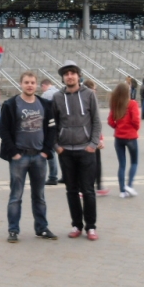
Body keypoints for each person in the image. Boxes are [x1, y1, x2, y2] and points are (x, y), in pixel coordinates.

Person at [0, 71, 58, 243]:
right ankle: (13, 230)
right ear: (21, 84)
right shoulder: (11, 104)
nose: (30, 85)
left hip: (39, 157)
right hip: (20, 157)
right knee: (16, 195)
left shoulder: (45, 104)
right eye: (26, 82)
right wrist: (13, 152)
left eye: (32, 82)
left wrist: (46, 151)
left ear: (37, 84)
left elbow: (53, 128)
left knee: (39, 195)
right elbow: (3, 130)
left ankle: (41, 228)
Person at [52, 60, 102, 241]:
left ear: (78, 75)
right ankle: (76, 224)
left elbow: (96, 121)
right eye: (66, 74)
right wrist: (56, 146)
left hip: (86, 150)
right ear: (63, 78)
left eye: (72, 73)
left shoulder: (89, 94)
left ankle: (91, 226)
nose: (69, 76)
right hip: (65, 151)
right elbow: (53, 124)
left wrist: (93, 144)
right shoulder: (57, 97)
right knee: (71, 190)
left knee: (88, 191)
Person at [108, 81, 142, 200]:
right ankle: (129, 185)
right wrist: (135, 129)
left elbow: (111, 121)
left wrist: (117, 127)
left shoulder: (115, 104)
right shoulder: (132, 104)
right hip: (131, 137)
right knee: (134, 162)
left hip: (119, 137)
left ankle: (122, 191)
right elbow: (136, 120)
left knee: (122, 164)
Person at [84, 80, 109, 196]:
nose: (96, 91)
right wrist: (98, 139)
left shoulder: (92, 101)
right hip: (88, 139)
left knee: (96, 163)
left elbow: (97, 123)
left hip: (93, 138)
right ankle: (86, 187)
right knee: (90, 164)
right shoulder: (87, 102)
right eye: (95, 89)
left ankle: (98, 186)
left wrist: (100, 138)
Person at [40, 78, 60, 184]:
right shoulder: (59, 92)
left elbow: (43, 113)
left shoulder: (46, 95)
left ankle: (53, 177)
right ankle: (65, 175)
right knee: (61, 151)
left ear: (44, 85)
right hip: (61, 126)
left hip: (50, 126)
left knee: (50, 151)